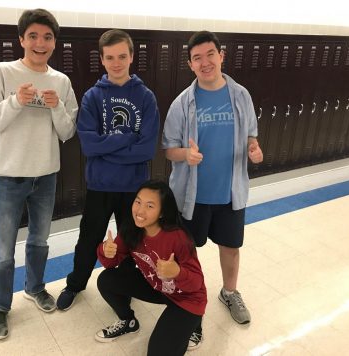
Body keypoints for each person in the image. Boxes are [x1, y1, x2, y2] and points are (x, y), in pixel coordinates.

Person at [0, 8, 78, 339]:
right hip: (7, 178)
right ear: (21, 39)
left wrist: (56, 107)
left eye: (47, 37)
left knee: (39, 241)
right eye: (33, 36)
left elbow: (67, 132)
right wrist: (15, 102)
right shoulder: (2, 72)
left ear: (54, 42)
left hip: (45, 177)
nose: (40, 42)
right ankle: (0, 307)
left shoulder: (61, 81)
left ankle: (35, 288)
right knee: (3, 251)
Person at [162, 31, 264, 345]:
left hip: (230, 191)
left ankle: (229, 292)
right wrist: (185, 156)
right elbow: (169, 150)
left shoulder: (240, 95)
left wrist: (254, 150)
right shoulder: (182, 103)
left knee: (231, 248)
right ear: (190, 64)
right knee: (188, 256)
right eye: (197, 58)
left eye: (210, 54)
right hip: (192, 196)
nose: (205, 62)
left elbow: (251, 137)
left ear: (222, 55)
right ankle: (191, 306)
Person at [56, 29, 160, 310]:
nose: (117, 63)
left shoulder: (145, 97)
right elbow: (89, 146)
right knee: (89, 238)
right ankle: (75, 284)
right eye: (110, 57)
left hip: (134, 188)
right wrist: (127, 139)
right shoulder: (92, 97)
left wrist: (108, 146)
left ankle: (124, 285)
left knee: (131, 241)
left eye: (122, 56)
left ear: (131, 57)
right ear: (102, 59)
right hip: (100, 185)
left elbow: (147, 149)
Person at [95, 180, 207, 356]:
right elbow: (110, 264)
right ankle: (128, 321)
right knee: (106, 280)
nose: (139, 211)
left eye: (149, 206)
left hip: (186, 298)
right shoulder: (131, 229)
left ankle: (194, 324)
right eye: (138, 202)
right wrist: (105, 250)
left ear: (162, 212)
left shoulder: (178, 238)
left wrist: (177, 272)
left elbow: (196, 283)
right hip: (157, 286)